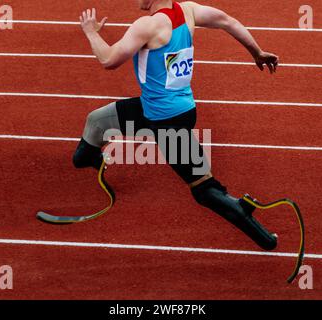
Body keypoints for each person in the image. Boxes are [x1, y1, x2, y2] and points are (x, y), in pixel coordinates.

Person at [75, 0, 279, 250]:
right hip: (164, 109)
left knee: (204, 190)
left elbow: (108, 60)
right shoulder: (188, 10)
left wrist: (90, 32)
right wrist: (256, 52)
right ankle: (88, 157)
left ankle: (258, 232)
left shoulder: (147, 26)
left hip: (167, 122)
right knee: (97, 122)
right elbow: (228, 21)